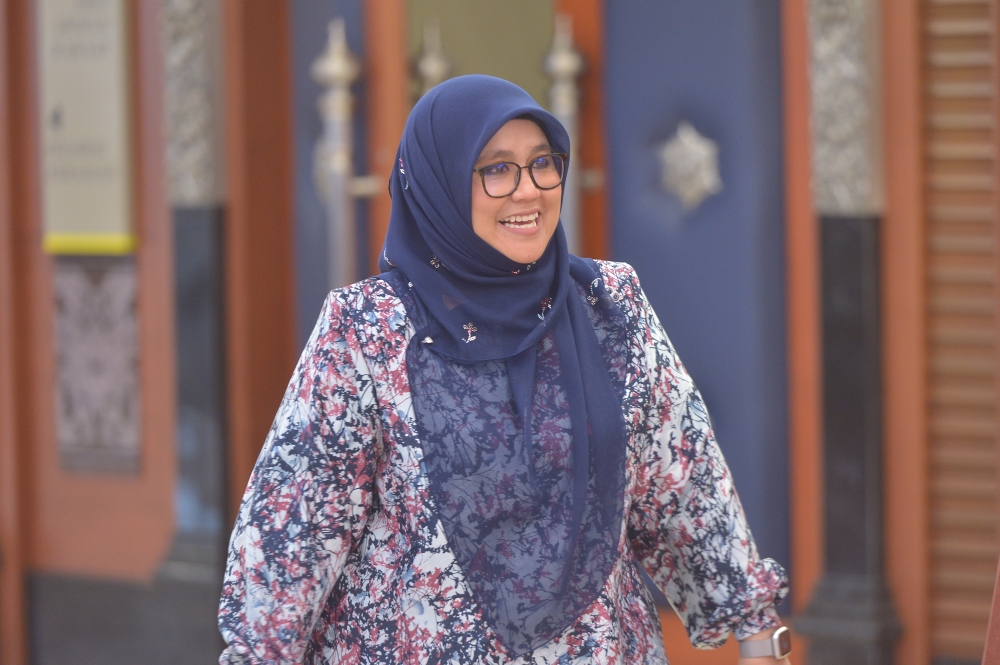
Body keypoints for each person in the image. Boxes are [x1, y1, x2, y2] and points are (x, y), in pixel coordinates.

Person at [218, 75, 789, 664]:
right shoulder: (367, 329)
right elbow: (293, 532)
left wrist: (758, 634)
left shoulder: (610, 307)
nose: (529, 191)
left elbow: (682, 483)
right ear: (437, 183)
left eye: (543, 163)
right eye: (495, 168)